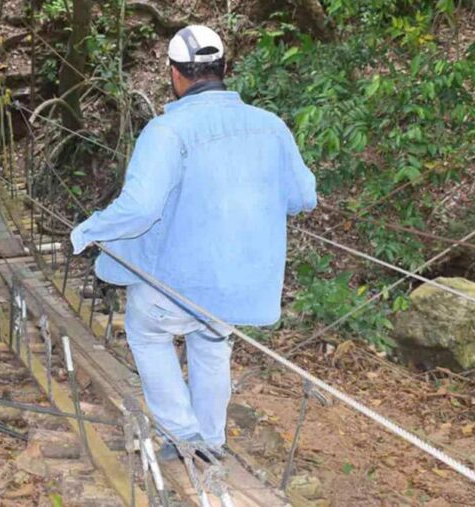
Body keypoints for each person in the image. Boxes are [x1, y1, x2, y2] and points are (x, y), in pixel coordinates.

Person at [70, 25, 317, 460]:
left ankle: (185, 437)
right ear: (224, 68)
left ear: (175, 74)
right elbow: (302, 198)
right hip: (237, 283)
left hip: (175, 283)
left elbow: (141, 208)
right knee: (211, 342)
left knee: (146, 334)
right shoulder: (271, 126)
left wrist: (89, 230)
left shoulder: (167, 131)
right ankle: (211, 439)